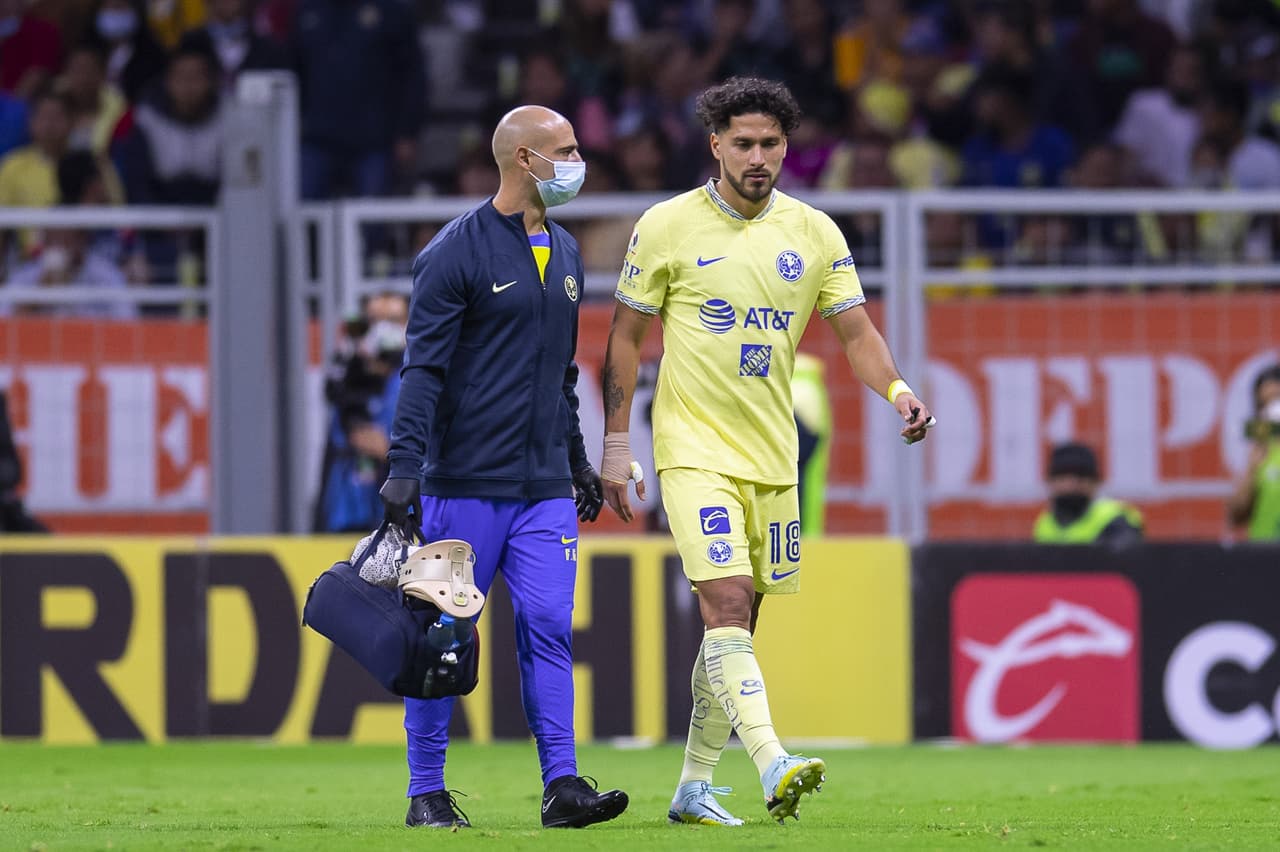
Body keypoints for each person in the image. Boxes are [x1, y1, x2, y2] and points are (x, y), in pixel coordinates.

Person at [599, 77, 934, 826]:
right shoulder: (665, 225)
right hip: (691, 449)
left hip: (772, 457)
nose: (758, 157)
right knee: (722, 602)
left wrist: (899, 391)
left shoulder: (815, 232)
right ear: (715, 144)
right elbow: (624, 337)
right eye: (743, 143)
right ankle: (774, 760)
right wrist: (618, 444)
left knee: (738, 625)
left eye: (771, 144)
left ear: (787, 147)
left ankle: (692, 785)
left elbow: (858, 336)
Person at [376, 105, 627, 830]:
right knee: (440, 636)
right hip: (463, 485)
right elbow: (422, 370)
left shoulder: (571, 253)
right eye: (568, 150)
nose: (580, 161)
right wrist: (404, 469)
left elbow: (561, 378)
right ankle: (426, 793)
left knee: (548, 624)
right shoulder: (453, 253)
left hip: (542, 487)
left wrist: (577, 462)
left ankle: (563, 787)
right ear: (524, 159)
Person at [1033, 442, 1143, 546]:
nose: (1071, 485)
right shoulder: (1044, 524)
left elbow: (1122, 557)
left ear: (1095, 482)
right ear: (1049, 482)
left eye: (1080, 477)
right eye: (1063, 477)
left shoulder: (1115, 519)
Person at [1227, 364, 1280, 541]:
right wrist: (1251, 470)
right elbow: (1235, 516)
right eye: (1266, 405)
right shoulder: (1259, 452)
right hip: (1265, 554)